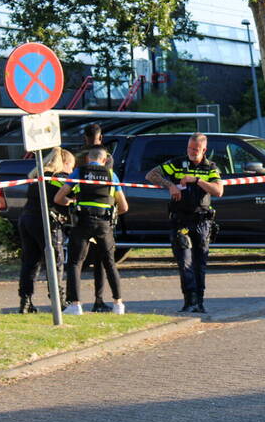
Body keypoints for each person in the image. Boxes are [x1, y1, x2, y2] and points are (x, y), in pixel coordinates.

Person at [145, 133, 224, 313]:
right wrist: (169, 185)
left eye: (195, 149)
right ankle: (189, 301)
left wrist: (196, 180)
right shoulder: (177, 163)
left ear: (204, 149)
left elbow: (218, 191)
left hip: (202, 222)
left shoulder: (210, 167)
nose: (191, 152)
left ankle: (200, 302)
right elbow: (151, 175)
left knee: (199, 263)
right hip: (181, 220)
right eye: (189, 148)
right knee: (185, 262)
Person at [54, 147, 129, 315]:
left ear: (88, 159)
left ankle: (75, 305)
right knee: (109, 263)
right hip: (103, 223)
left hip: (82, 221)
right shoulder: (111, 175)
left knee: (75, 263)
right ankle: (118, 304)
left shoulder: (79, 172)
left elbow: (58, 198)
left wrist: (72, 203)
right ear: (104, 160)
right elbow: (124, 207)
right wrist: (111, 209)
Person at [17, 147, 75, 313]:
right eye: (71, 166)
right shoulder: (59, 178)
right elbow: (69, 197)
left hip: (26, 219)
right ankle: (59, 300)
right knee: (55, 261)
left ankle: (25, 302)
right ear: (64, 163)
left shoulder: (37, 176)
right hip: (46, 222)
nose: (71, 170)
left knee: (30, 262)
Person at [75, 123, 114, 311]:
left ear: (85, 138)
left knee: (77, 261)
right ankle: (99, 300)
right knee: (101, 261)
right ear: (101, 137)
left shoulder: (78, 157)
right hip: (103, 215)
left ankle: (72, 300)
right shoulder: (107, 157)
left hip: (81, 214)